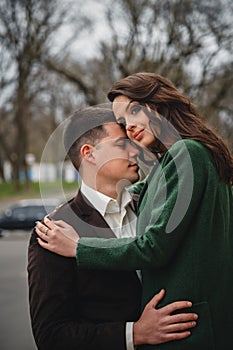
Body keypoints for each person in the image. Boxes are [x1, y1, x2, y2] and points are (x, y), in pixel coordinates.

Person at [36, 73, 233, 349]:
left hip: (193, 332)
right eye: (123, 124)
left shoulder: (187, 153)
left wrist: (80, 247)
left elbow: (153, 246)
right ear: (88, 153)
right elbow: (51, 333)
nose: (130, 128)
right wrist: (75, 207)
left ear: (158, 103)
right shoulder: (176, 161)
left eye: (134, 110)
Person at [29, 107, 197, 350]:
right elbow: (51, 335)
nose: (135, 151)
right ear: (89, 154)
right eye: (121, 145)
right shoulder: (54, 231)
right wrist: (134, 333)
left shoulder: (155, 208)